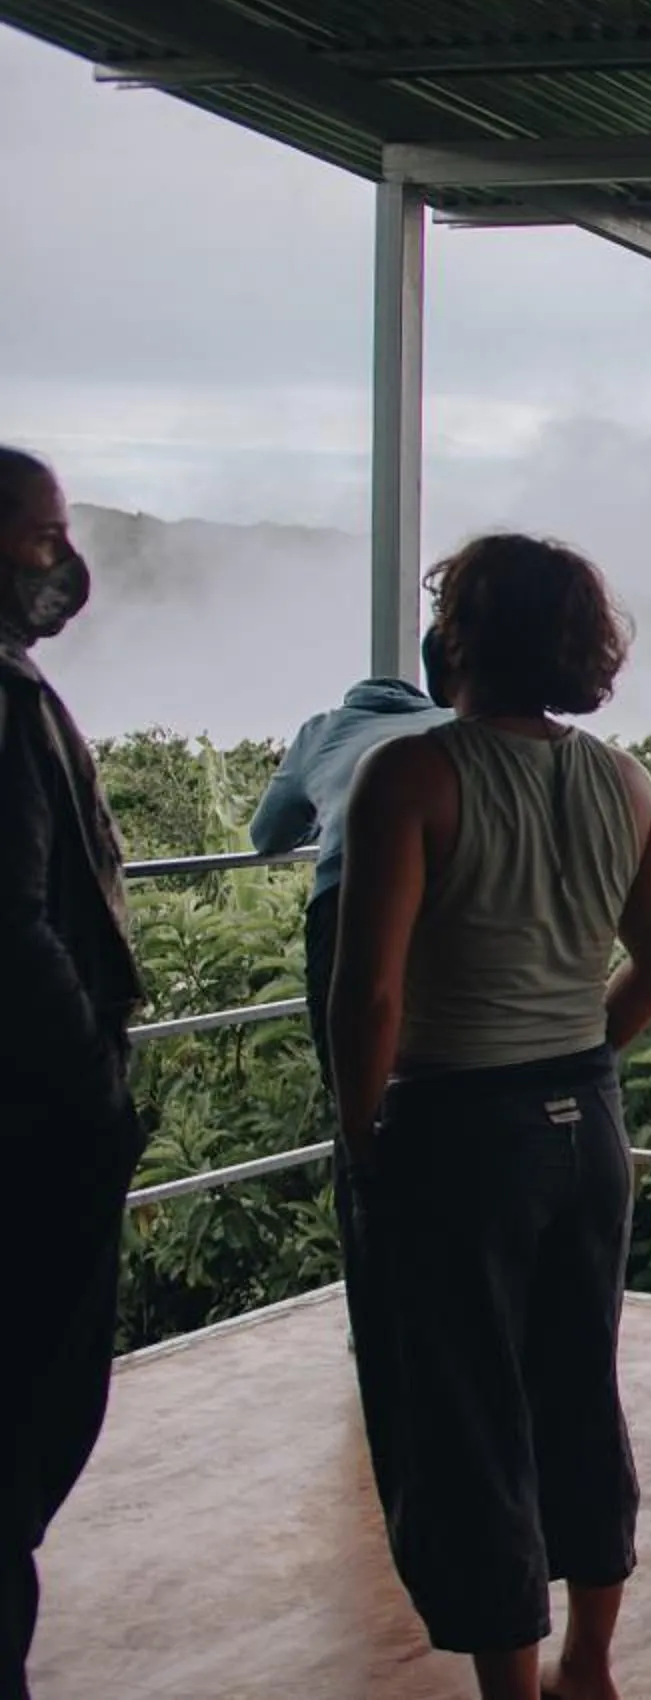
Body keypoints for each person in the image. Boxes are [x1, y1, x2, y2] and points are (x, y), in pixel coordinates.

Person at [329, 535, 651, 1700]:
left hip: (457, 1128)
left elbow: (369, 993)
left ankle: (509, 1687)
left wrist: (362, 1134)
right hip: (587, 1125)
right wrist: (578, 1056)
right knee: (580, 1386)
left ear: (464, 636)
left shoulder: (410, 776)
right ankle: (589, 1661)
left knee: (471, 1412)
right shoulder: (626, 782)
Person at [0, 450, 142, 1700]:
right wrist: (93, 1079)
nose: (63, 561)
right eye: (47, 536)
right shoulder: (7, 706)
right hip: (36, 1120)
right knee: (32, 1402)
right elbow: (16, 919)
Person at [247, 671, 449, 1251]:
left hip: (346, 895)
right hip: (449, 898)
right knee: (444, 1073)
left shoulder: (323, 731)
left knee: (357, 1084)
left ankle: (373, 1253)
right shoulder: (453, 725)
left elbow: (268, 833)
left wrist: (327, 811)